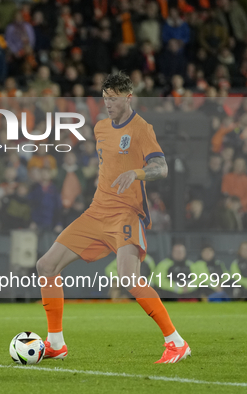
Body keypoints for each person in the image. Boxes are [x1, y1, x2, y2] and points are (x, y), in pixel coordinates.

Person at [36, 72, 191, 364]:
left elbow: (162, 167)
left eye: (114, 98)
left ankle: (176, 342)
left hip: (125, 214)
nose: (108, 103)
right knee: (46, 265)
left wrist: (137, 172)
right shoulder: (101, 129)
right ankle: (56, 343)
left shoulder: (142, 129)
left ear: (128, 98)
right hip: (97, 211)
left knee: (128, 279)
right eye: (105, 98)